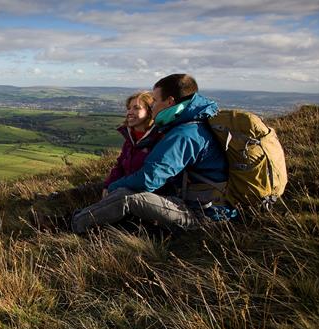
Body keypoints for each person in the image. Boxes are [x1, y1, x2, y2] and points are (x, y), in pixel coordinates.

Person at [72, 73, 235, 233]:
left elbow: (149, 179)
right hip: (196, 203)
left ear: (170, 101)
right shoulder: (192, 125)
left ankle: (73, 224)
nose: (152, 106)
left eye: (155, 101)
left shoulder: (184, 134)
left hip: (202, 214)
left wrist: (113, 186)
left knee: (126, 197)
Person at [102, 91, 159, 198]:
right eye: (129, 108)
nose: (130, 112)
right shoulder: (130, 139)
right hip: (123, 187)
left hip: (146, 195)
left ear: (150, 111)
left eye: (136, 108)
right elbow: (119, 167)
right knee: (79, 192)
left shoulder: (158, 138)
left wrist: (113, 187)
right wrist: (107, 185)